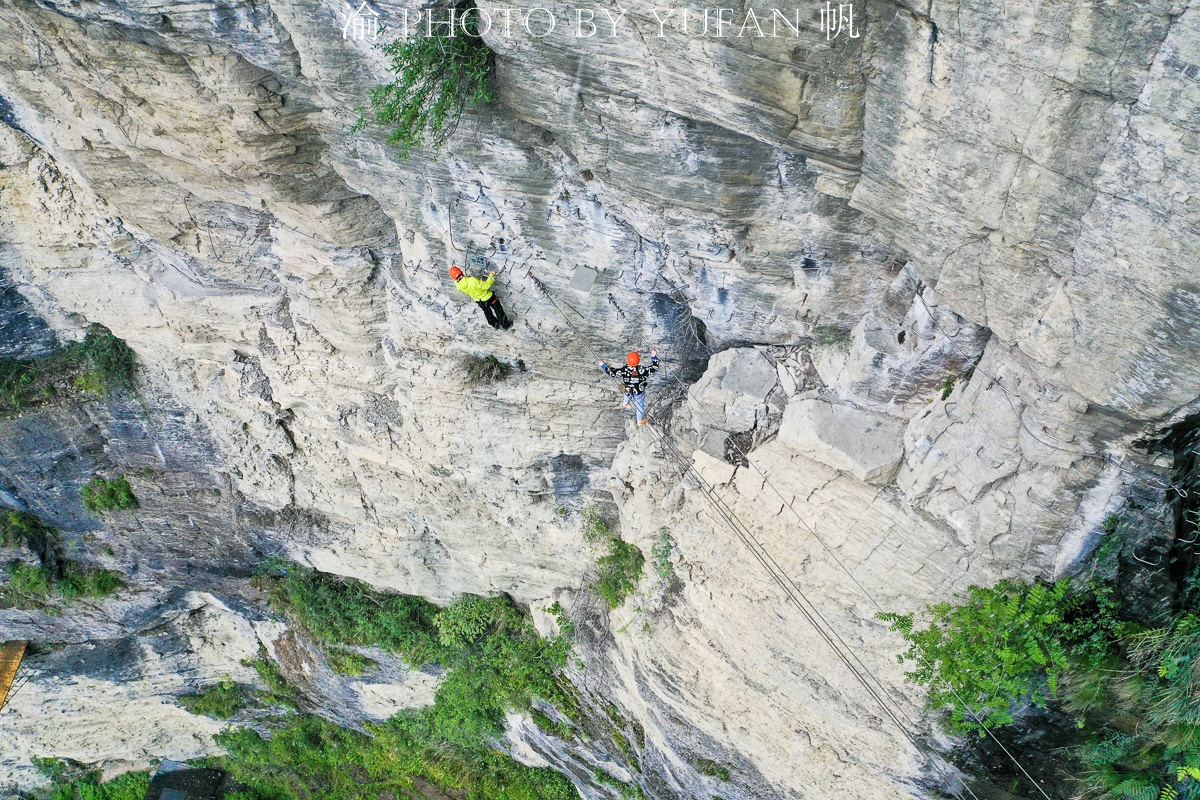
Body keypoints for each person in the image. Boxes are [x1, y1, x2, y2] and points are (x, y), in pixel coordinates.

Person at [599, 349, 659, 425]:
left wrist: (603, 365)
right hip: (638, 391)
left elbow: (613, 373)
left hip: (628, 389)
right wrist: (653, 356)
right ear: (638, 360)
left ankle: (625, 402)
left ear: (628, 360)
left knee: (627, 392)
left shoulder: (624, 370)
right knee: (640, 406)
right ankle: (639, 420)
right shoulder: (642, 370)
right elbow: (655, 367)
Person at [450, 266, 513, 330]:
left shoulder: (459, 286)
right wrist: (491, 275)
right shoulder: (472, 280)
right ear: (461, 272)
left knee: (487, 311)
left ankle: (494, 324)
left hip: (479, 300)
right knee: (498, 309)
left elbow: (461, 282)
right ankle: (505, 324)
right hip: (488, 296)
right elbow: (486, 286)